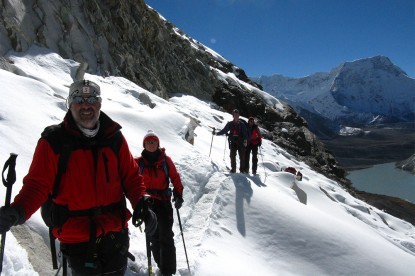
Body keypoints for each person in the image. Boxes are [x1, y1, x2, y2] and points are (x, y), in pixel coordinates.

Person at [0, 80, 157, 275]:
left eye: (92, 99)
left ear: (99, 104)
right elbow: (37, 185)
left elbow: (131, 177)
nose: (85, 105)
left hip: (115, 234)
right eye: (78, 99)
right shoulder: (53, 141)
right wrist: (18, 211)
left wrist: (141, 204)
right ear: (70, 104)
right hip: (77, 238)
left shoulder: (114, 138)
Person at [134, 130, 184, 276]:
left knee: (166, 236)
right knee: (153, 237)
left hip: (163, 203)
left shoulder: (165, 161)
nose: (151, 143)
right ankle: (161, 266)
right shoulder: (138, 162)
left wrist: (179, 194)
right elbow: (128, 176)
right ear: (144, 144)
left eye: (154, 141)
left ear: (158, 143)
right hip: (147, 204)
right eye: (148, 141)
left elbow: (175, 177)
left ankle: (168, 271)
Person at [214, 109, 248, 173]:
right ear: (233, 115)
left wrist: (245, 141)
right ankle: (233, 169)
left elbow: (245, 133)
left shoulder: (242, 124)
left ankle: (242, 170)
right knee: (232, 156)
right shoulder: (230, 124)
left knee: (242, 156)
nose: (236, 116)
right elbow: (224, 131)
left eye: (237, 114)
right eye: (235, 114)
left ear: (238, 115)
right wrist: (216, 133)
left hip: (240, 142)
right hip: (233, 142)